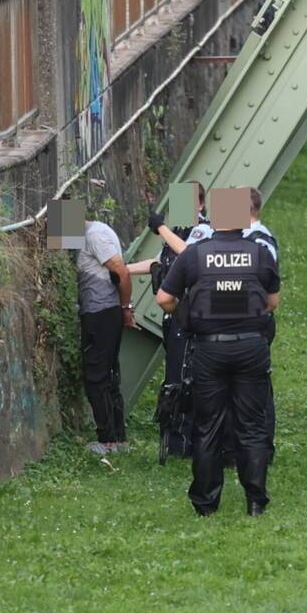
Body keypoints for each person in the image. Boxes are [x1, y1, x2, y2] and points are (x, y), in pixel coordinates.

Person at [156, 187, 279, 515]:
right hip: (252, 346)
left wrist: (188, 309)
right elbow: (272, 302)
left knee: (207, 425)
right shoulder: (260, 253)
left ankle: (206, 503)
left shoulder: (195, 255)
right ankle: (255, 501)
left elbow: (163, 299)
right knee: (252, 424)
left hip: (209, 349)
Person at [126, 182, 209, 461]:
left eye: (189, 201)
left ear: (201, 205)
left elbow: (188, 255)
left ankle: (187, 441)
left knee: (186, 377)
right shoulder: (178, 233)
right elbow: (159, 262)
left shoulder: (204, 231)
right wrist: (119, 270)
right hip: (173, 316)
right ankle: (176, 438)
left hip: (191, 316)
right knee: (174, 376)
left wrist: (160, 227)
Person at [72, 206, 135, 454]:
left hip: (101, 314)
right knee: (108, 374)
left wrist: (126, 307)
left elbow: (122, 271)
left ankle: (107, 440)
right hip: (103, 313)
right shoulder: (95, 233)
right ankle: (118, 439)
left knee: (96, 376)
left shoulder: (95, 235)